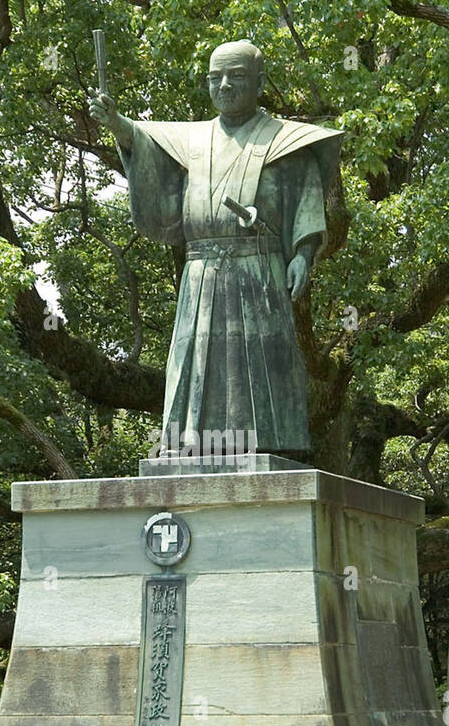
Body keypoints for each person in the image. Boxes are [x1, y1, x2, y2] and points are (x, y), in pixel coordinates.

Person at [89, 39, 343, 457]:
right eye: (215, 78)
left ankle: (270, 444)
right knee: (195, 354)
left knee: (262, 360)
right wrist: (117, 123)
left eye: (236, 76)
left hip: (259, 269)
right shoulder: (191, 140)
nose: (224, 85)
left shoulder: (285, 142)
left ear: (260, 82)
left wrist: (303, 252)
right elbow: (144, 139)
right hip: (201, 273)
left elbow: (305, 197)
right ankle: (192, 443)